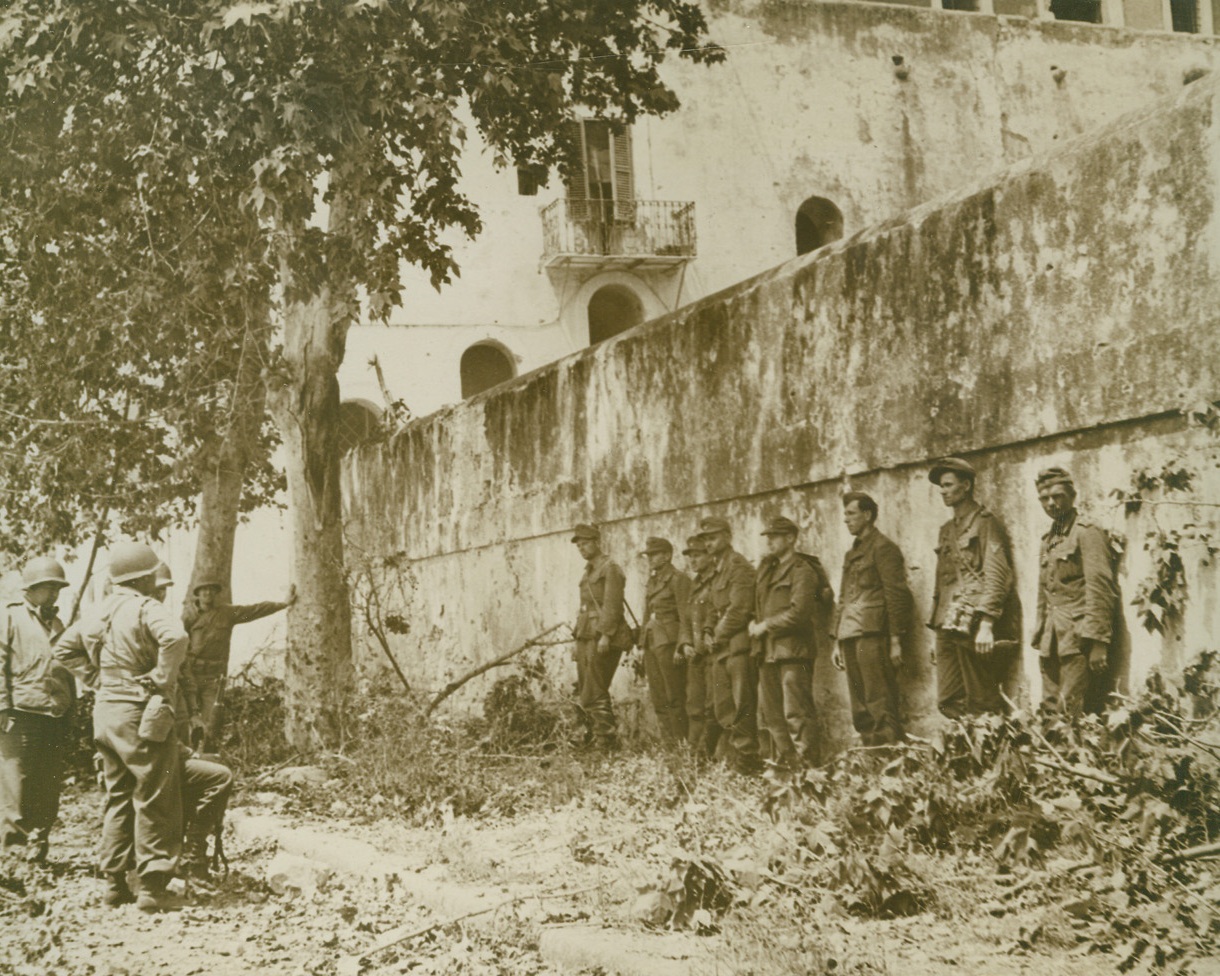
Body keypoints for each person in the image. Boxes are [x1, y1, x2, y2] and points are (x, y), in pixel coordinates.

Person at [55, 540, 188, 912]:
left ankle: (114, 883)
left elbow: (63, 649)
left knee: (117, 795)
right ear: (146, 578)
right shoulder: (146, 607)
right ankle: (152, 886)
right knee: (155, 791)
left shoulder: (97, 611)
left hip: (105, 712)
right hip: (138, 712)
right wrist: (161, 677)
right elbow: (176, 637)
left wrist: (96, 679)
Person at [927, 458, 1022, 718]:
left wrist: (987, 625)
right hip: (948, 623)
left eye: (948, 485)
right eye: (941, 486)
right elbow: (941, 581)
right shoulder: (946, 530)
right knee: (947, 700)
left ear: (966, 485)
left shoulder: (985, 523)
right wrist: (937, 630)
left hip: (974, 623)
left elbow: (998, 574)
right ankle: (972, 748)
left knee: (981, 699)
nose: (943, 491)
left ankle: (994, 752)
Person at [0, 557, 74, 863]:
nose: (54, 593)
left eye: (58, 587)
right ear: (31, 588)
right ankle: (14, 856)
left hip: (54, 715)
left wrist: (71, 712)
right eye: (48, 587)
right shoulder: (10, 617)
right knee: (16, 783)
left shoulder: (57, 624)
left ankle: (38, 847)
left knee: (48, 783)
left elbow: (68, 671)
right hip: (21, 714)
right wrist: (2, 706)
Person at [1031, 466, 1121, 717]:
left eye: (1057, 496)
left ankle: (1072, 755)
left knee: (1071, 709)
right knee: (1050, 709)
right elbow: (1044, 592)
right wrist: (1039, 633)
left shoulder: (1087, 532)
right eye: (1044, 499)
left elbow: (1100, 587)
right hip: (1052, 640)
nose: (1051, 503)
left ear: (1072, 496)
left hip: (1079, 639)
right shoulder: (1048, 540)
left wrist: (1099, 643)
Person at [832, 492, 914, 745]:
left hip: (873, 634)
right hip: (850, 634)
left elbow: (897, 595)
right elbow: (844, 596)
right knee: (859, 706)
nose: (846, 520)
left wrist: (896, 639)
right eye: (845, 514)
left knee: (879, 701)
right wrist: (836, 640)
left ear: (867, 515)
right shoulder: (851, 554)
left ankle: (889, 760)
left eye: (851, 514)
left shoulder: (884, 548)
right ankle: (871, 760)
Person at [183, 579, 292, 750]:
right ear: (197, 594)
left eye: (211, 590)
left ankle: (205, 754)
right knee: (187, 716)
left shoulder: (227, 612)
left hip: (212, 677)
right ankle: (186, 755)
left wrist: (282, 604)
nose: (208, 594)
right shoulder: (188, 616)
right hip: (191, 673)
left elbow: (255, 610)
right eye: (204, 591)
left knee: (211, 718)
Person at [748, 516, 819, 769]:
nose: (769, 541)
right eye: (768, 536)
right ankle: (786, 767)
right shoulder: (768, 571)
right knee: (773, 715)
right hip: (767, 651)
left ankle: (807, 770)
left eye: (775, 536)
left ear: (790, 538)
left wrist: (766, 625)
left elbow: (800, 613)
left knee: (797, 713)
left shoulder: (803, 571)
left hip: (793, 651)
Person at [699, 516, 760, 773]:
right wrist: (706, 631)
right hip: (722, 648)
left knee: (742, 704)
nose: (709, 543)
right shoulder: (717, 569)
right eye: (705, 539)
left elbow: (740, 609)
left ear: (727, 536)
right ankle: (736, 758)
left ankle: (747, 761)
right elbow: (713, 607)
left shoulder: (739, 567)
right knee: (723, 706)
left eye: (712, 537)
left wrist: (718, 634)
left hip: (738, 647)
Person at [571, 524, 633, 750]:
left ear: (597, 542)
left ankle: (606, 741)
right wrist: (576, 639)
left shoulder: (610, 568)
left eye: (585, 543)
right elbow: (584, 608)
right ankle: (596, 737)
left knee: (594, 690)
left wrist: (606, 635)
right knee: (587, 688)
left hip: (603, 636)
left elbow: (613, 605)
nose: (582, 548)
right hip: (586, 635)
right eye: (579, 545)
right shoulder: (588, 571)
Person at [639, 537, 691, 742]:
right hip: (653, 642)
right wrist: (641, 643)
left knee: (675, 695)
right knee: (659, 696)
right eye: (648, 555)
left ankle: (682, 744)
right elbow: (647, 613)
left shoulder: (679, 580)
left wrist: (681, 646)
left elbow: (686, 615)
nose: (650, 558)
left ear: (667, 555)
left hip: (670, 644)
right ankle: (669, 744)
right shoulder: (653, 580)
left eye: (654, 554)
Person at [680, 535, 719, 756]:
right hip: (695, 656)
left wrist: (706, 637)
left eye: (697, 555)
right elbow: (686, 618)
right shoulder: (694, 585)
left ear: (709, 555)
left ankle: (710, 754)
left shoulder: (716, 581)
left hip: (712, 654)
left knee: (713, 707)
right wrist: (685, 643)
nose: (693, 561)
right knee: (694, 706)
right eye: (690, 557)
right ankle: (693, 755)